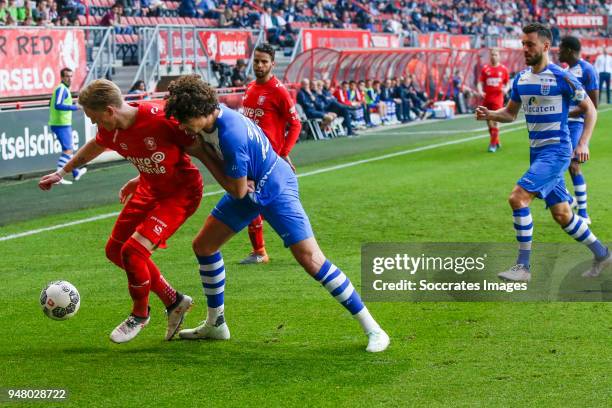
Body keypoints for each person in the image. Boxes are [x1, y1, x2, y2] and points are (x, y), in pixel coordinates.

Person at [165, 75, 390, 352]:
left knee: (312, 259)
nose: (183, 125)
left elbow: (236, 191)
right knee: (204, 246)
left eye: (185, 119)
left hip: (274, 187)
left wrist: (201, 154)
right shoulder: (210, 121)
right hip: (251, 187)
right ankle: (216, 324)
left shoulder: (230, 134)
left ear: (201, 111)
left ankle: (374, 329)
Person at [38, 79, 202, 343]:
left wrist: (239, 176)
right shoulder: (111, 130)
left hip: (180, 193)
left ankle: (140, 314)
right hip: (149, 187)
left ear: (109, 111)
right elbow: (94, 146)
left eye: (94, 118)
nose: (93, 124)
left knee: (132, 251)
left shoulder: (159, 118)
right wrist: (62, 172)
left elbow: (198, 143)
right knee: (115, 250)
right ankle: (175, 301)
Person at [475, 23, 611, 282]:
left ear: (546, 46)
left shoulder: (562, 77)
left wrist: (583, 143)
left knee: (518, 198)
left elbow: (590, 109)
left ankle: (523, 267)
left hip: (557, 151)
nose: (524, 49)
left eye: (530, 44)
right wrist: (490, 114)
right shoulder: (521, 79)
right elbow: (510, 113)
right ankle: (603, 254)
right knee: (562, 214)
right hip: (537, 153)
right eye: (523, 44)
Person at [240, 43, 302, 264]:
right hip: (248, 156)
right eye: (256, 60)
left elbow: (296, 124)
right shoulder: (249, 88)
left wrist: (284, 153)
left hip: (268, 159)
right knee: (251, 200)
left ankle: (265, 251)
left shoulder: (278, 91)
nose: (259, 65)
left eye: (264, 61)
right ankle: (259, 251)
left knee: (262, 203)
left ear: (272, 64)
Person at [558, 36, 599, 224]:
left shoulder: (587, 70)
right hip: (564, 124)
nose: (558, 52)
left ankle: (583, 212)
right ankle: (569, 200)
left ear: (568, 51)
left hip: (577, 124)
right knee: (559, 163)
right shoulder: (566, 71)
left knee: (573, 165)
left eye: (560, 48)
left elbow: (592, 106)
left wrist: (567, 114)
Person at [48, 68, 86, 185]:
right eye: (67, 76)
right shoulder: (62, 89)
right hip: (61, 124)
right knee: (68, 150)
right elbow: (58, 105)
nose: (69, 79)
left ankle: (75, 172)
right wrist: (75, 107)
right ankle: (58, 177)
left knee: (68, 150)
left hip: (60, 123)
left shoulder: (62, 89)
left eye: (71, 76)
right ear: (62, 77)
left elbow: (52, 104)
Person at [477, 48, 509, 153]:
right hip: (487, 98)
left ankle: (492, 145)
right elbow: (479, 82)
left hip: (498, 99)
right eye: (492, 55)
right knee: (488, 122)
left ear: (499, 56)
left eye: (495, 54)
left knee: (495, 121)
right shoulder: (485, 69)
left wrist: (506, 89)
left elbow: (507, 83)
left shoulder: (503, 69)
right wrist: (480, 91)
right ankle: (496, 140)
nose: (493, 56)